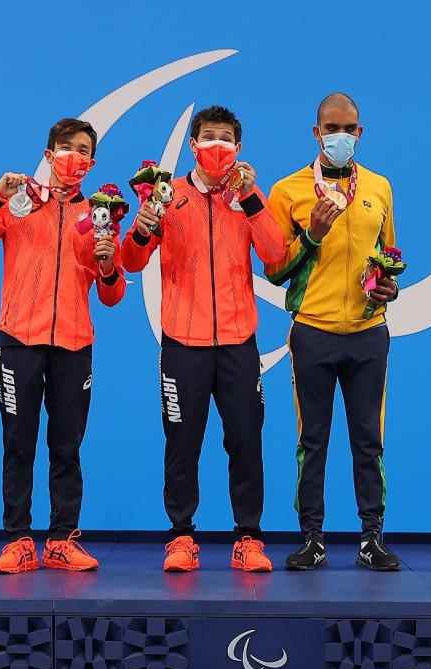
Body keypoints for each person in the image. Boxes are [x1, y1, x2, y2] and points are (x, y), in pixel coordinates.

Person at [0, 118, 125, 573]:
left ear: (91, 162)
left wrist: (108, 266)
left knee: (67, 447)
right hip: (18, 340)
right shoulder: (19, 203)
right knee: (19, 443)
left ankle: (62, 541)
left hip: (73, 344)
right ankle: (19, 542)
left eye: (83, 150)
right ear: (49, 154)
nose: (73, 156)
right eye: (65, 147)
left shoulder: (101, 215)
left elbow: (111, 295)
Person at [122, 105, 288, 573]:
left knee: (245, 441)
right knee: (182, 441)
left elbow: (275, 254)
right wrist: (143, 225)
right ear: (193, 145)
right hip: (182, 342)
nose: (218, 145)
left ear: (238, 147)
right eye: (209, 137)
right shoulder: (166, 195)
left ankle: (249, 538)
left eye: (226, 138)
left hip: (238, 342)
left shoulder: (247, 196)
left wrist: (250, 196)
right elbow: (132, 262)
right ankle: (180, 537)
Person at [267, 92, 402, 572]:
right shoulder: (288, 191)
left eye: (349, 128)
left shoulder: (381, 187)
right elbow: (276, 268)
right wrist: (313, 236)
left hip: (369, 332)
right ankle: (313, 539)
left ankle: (371, 539)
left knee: (369, 439)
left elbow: (390, 259)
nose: (339, 136)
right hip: (313, 332)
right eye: (331, 128)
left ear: (360, 133)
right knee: (313, 440)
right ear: (315, 131)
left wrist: (390, 289)